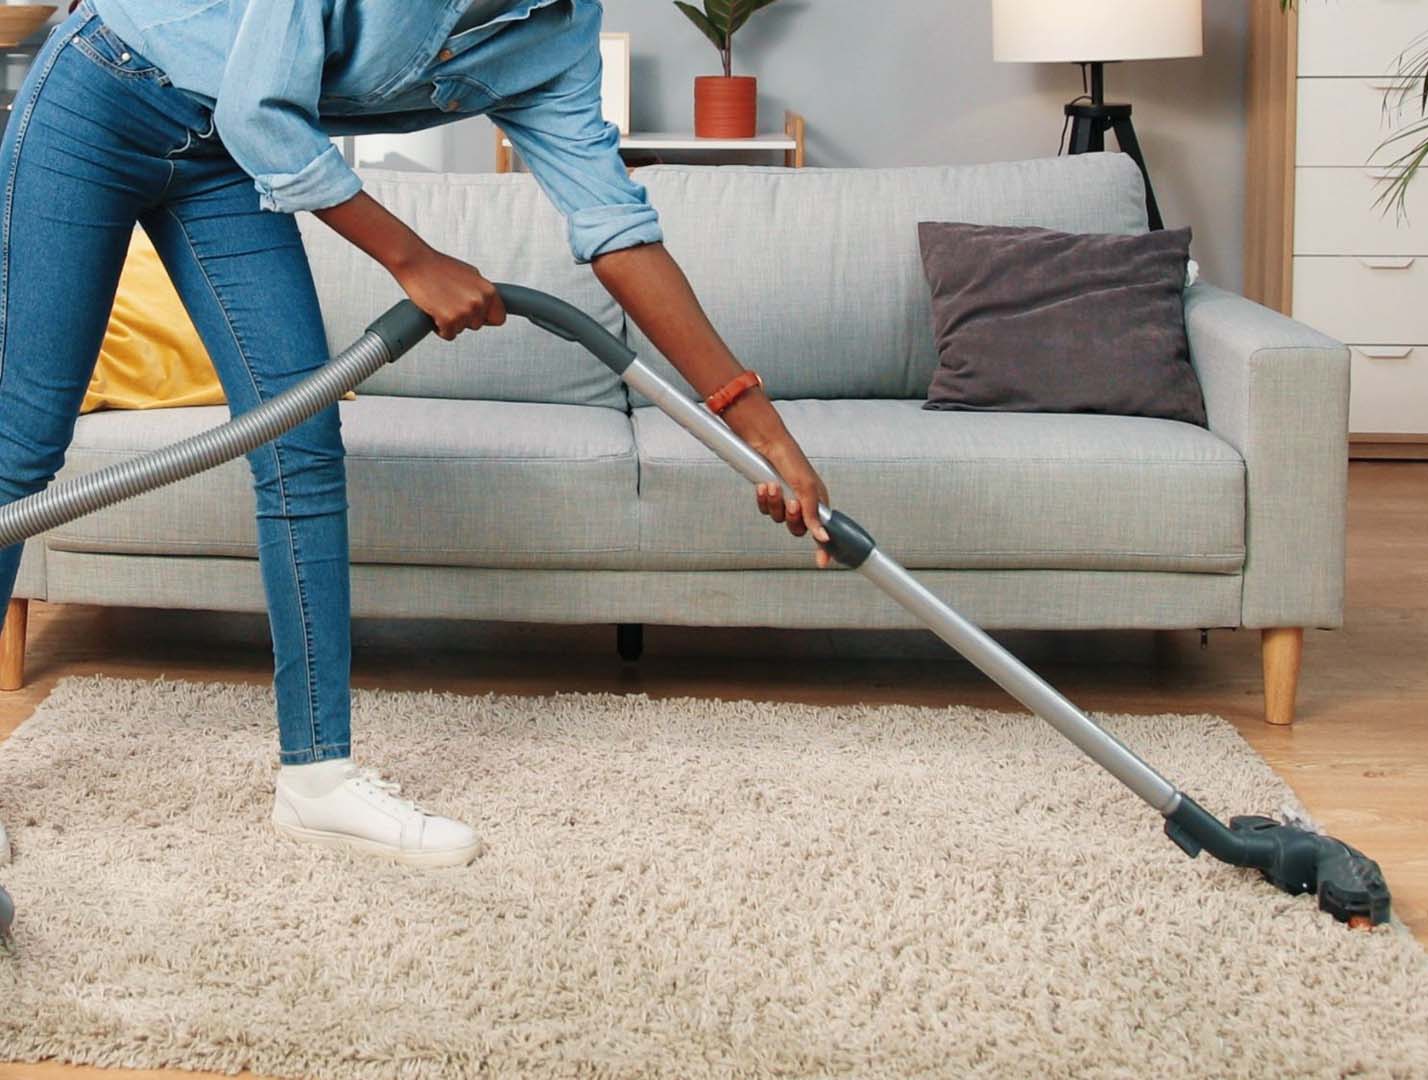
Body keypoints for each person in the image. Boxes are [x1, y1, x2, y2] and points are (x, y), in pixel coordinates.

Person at [0, 0, 832, 868]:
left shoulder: (557, 37)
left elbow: (614, 227)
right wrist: (415, 259)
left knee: (300, 443)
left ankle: (317, 776)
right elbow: (264, 107)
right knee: (21, 449)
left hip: (224, 154)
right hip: (104, 88)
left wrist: (760, 428)